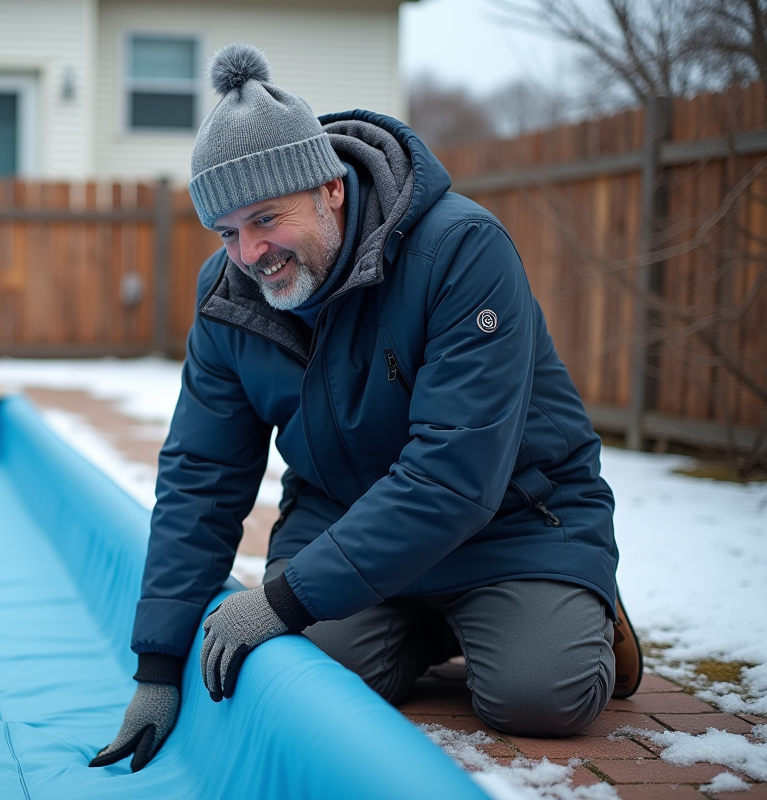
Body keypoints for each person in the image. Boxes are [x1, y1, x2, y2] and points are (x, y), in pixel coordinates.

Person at [89, 43, 642, 774]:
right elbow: (202, 473)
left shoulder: (460, 252)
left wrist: (284, 600)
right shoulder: (228, 295)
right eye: (227, 232)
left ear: (330, 188)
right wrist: (157, 666)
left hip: (513, 519)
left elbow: (454, 474)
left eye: (266, 219)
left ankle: (578, 610)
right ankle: (424, 626)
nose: (250, 253)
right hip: (345, 517)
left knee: (541, 698)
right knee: (301, 682)